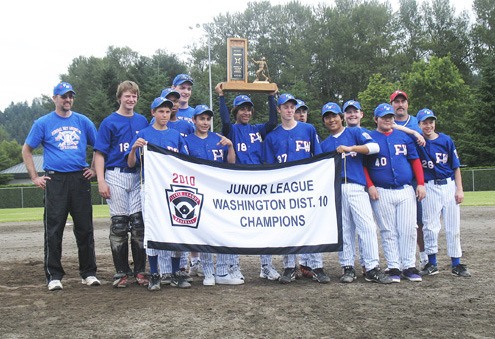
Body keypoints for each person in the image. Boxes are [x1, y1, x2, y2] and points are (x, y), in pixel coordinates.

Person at [22, 82, 100, 291]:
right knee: (54, 229)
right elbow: (27, 150)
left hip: (79, 178)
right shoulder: (43, 122)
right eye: (63, 96)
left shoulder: (83, 121)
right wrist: (34, 177)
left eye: (70, 96)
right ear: (54, 98)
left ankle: (89, 273)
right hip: (55, 180)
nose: (67, 100)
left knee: (85, 228)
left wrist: (93, 169)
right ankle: (54, 275)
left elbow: (99, 146)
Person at [320, 102, 392, 284]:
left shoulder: (354, 132)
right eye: (327, 117)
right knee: (344, 229)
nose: (331, 119)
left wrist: (351, 148)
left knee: (366, 226)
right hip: (336, 189)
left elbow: (375, 147)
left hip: (356, 186)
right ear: (324, 121)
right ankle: (347, 267)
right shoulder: (325, 144)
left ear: (341, 117)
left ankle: (372, 267)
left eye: (334, 115)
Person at [215, 83, 280, 281]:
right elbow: (224, 121)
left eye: (248, 109)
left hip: (258, 179)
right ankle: (233, 265)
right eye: (242, 109)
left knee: (263, 223)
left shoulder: (257, 129)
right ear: (236, 111)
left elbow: (272, 121)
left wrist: (271, 97)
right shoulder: (231, 130)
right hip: (238, 180)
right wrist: (221, 97)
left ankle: (266, 266)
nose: (246, 112)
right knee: (235, 224)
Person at [263, 93, 330, 284]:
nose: (290, 110)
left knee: (312, 225)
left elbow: (318, 157)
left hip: (306, 185)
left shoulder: (308, 129)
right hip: (284, 187)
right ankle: (289, 267)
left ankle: (317, 266)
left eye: (292, 106)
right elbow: (268, 165)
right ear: (279, 109)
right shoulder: (272, 136)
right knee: (287, 225)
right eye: (285, 106)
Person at [127, 96, 190, 290]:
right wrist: (133, 149)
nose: (164, 114)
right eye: (160, 111)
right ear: (153, 113)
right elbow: (131, 163)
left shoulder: (176, 135)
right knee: (152, 229)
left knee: (176, 228)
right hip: (151, 187)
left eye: (167, 111)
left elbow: (185, 163)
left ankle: (174, 272)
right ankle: (154, 272)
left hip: (173, 187)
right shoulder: (143, 134)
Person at [94, 80, 149, 288]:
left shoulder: (142, 120)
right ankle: (121, 272)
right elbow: (100, 153)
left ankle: (140, 271)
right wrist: (100, 180)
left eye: (134, 96)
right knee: (119, 224)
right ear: (119, 98)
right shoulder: (109, 122)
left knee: (138, 224)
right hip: (115, 174)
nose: (131, 99)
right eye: (127, 95)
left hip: (136, 175)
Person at [364, 103, 426, 283]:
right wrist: (370, 185)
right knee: (388, 230)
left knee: (408, 229)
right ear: (376, 119)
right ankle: (393, 266)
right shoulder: (369, 137)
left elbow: (415, 161)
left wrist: (420, 183)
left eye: (390, 117)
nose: (387, 120)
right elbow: (363, 166)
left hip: (405, 189)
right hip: (381, 191)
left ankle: (409, 265)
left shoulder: (402, 136)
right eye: (383, 117)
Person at [184, 104, 242, 286]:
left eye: (208, 119)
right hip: (200, 192)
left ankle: (223, 272)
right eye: (201, 118)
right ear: (194, 120)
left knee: (224, 231)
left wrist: (231, 146)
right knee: (206, 233)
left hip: (220, 191)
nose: (205, 122)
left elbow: (230, 162)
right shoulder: (187, 141)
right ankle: (208, 271)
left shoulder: (218, 139)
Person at [415, 108, 471, 277]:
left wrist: (459, 189)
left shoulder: (446, 140)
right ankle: (432, 263)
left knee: (453, 227)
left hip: (448, 186)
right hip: (429, 186)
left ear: (435, 123)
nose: (428, 125)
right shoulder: (417, 142)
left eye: (431, 121)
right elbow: (398, 128)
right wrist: (414, 133)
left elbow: (455, 166)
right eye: (424, 122)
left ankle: (456, 263)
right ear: (419, 125)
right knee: (430, 227)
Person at [156, 87, 194, 285]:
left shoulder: (184, 127)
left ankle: (180, 268)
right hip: (157, 182)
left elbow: (188, 155)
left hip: (179, 182)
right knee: (160, 226)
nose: (173, 106)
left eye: (175, 102)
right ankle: (163, 271)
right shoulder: (152, 127)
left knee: (182, 223)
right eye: (168, 102)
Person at [390, 90, 428, 269]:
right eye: (396, 102)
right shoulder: (388, 122)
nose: (400, 104)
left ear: (407, 104)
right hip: (396, 179)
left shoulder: (416, 122)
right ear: (392, 105)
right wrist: (412, 132)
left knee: (420, 221)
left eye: (402, 101)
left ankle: (424, 256)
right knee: (397, 224)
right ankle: (398, 259)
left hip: (417, 177)